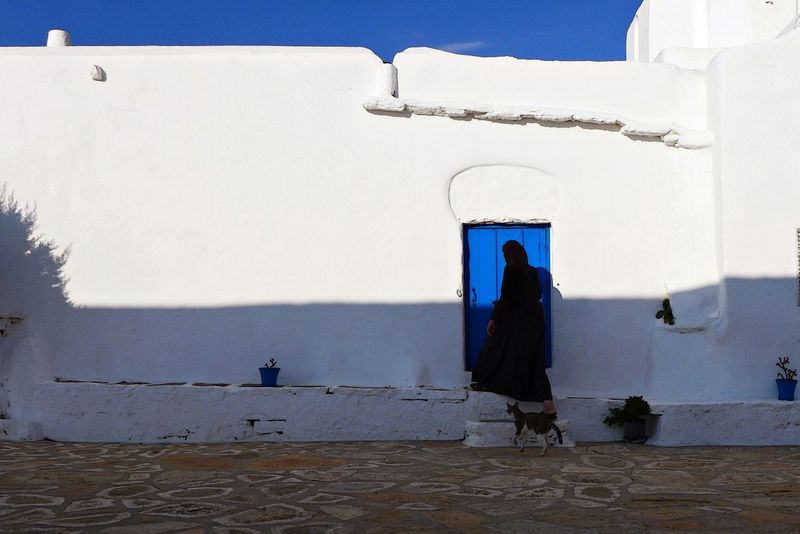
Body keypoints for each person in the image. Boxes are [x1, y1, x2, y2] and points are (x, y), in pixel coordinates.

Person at [470, 240, 556, 417]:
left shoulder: (511, 269)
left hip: (518, 321)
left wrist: (494, 318)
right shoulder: (531, 271)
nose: (504, 257)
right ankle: (548, 405)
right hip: (536, 320)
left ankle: (484, 381)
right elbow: (537, 294)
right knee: (534, 360)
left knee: (493, 349)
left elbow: (507, 297)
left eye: (505, 254)